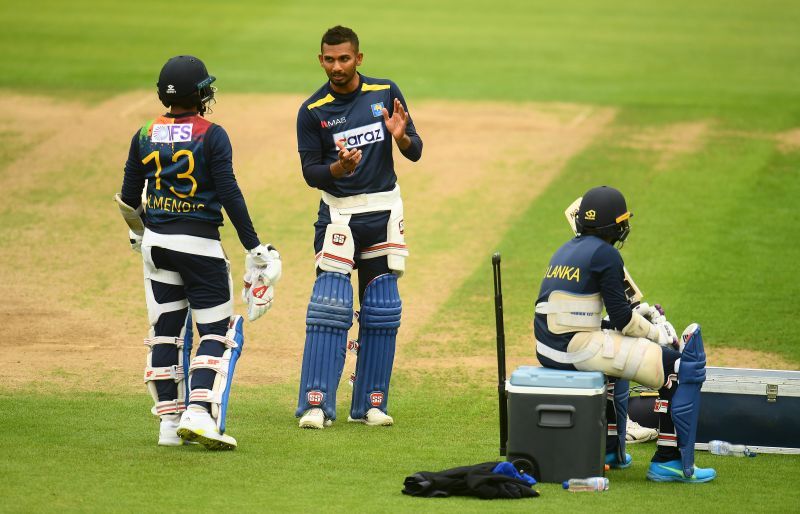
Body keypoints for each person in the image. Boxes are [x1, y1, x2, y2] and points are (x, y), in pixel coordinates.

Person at [115, 55, 281, 450]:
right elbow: (228, 194)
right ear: (201, 93)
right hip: (200, 247)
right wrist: (253, 245)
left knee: (165, 335)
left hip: (156, 246)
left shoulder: (144, 133)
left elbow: (126, 199)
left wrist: (141, 233)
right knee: (214, 333)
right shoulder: (212, 134)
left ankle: (169, 425)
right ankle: (199, 413)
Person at [533, 186, 716, 483]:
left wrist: (622, 324)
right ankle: (669, 462)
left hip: (550, 344)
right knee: (679, 369)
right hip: (574, 348)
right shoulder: (605, 254)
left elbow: (581, 313)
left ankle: (608, 450)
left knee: (618, 360)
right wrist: (657, 333)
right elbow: (622, 319)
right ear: (615, 225)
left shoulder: (566, 249)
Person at [293, 25, 423, 429]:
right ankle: (316, 404)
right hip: (338, 214)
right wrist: (339, 167)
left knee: (382, 308)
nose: (337, 66)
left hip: (383, 212)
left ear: (359, 59)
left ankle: (370, 403)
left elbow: (416, 150)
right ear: (321, 60)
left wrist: (400, 139)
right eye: (329, 59)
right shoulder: (312, 110)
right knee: (330, 305)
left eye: (344, 58)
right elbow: (311, 172)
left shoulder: (385, 93)